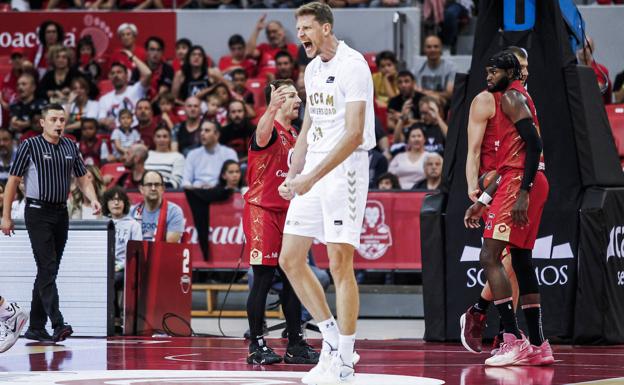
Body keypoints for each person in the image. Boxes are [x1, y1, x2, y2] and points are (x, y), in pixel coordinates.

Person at [277, 3, 373, 382]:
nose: (300, 34)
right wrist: (294, 171)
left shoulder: (354, 65)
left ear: (326, 29)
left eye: (306, 28)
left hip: (345, 170)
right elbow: (307, 128)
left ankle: (347, 359)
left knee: (338, 262)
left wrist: (311, 177)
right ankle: (330, 340)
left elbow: (353, 134)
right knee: (290, 258)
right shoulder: (312, 69)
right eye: (298, 28)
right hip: (314, 171)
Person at [463, 51, 553, 366]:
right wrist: (483, 201)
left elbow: (535, 146)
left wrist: (523, 192)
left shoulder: (512, 98)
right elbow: (509, 160)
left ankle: (512, 340)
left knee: (489, 256)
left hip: (520, 183)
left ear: (509, 71)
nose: (488, 77)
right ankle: (540, 345)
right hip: (518, 181)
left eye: (493, 72)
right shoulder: (511, 98)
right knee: (521, 261)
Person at [1, 103, 102, 343]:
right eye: (54, 119)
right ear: (42, 123)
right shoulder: (29, 145)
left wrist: (94, 199)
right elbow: (13, 181)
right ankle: (57, 323)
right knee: (47, 267)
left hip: (60, 213)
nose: (59, 124)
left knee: (49, 270)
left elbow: (83, 178)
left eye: (62, 120)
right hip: (37, 212)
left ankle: (36, 326)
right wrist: (6, 217)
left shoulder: (70, 146)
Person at [243, 79, 318, 365]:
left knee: (292, 277)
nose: (296, 100)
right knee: (262, 278)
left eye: (297, 95)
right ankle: (256, 345)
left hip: (288, 212)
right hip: (262, 211)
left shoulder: (294, 132)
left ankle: (295, 344)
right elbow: (262, 133)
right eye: (288, 96)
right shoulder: (268, 130)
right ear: (275, 102)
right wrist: (271, 107)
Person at [461, 46, 528, 355]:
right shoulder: (486, 100)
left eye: (526, 66)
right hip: (493, 183)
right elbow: (473, 149)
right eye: (519, 66)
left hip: (513, 181)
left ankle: (487, 316)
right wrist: (474, 188)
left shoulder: (521, 99)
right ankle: (497, 326)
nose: (524, 72)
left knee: (513, 261)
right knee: (504, 260)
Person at [184, 160, 242, 260]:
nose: (235, 175)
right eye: (231, 172)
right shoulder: (215, 193)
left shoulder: (247, 190)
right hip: (221, 236)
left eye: (237, 172)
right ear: (224, 175)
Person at [100, 186, 142, 319]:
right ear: (106, 204)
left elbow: (136, 251)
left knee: (111, 279)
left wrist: (119, 266)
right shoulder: (102, 223)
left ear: (125, 203)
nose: (116, 203)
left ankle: (115, 317)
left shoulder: (133, 225)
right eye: (112, 200)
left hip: (125, 268)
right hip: (105, 266)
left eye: (119, 200)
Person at [129, 170, 185, 242]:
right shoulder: (131, 212)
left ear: (163, 189)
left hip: (163, 252)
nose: (153, 188)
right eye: (149, 185)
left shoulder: (174, 211)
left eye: (157, 185)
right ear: (141, 189)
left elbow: (170, 245)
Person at [98, 58, 152, 131]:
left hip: (136, 131)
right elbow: (100, 119)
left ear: (127, 75)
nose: (116, 75)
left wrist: (132, 56)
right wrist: (105, 121)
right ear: (109, 77)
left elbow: (147, 73)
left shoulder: (136, 89)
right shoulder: (104, 99)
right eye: (112, 73)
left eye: (119, 72)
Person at [183, 120, 238, 188]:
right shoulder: (192, 154)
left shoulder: (229, 153)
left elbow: (233, 178)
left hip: (220, 192)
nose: (202, 133)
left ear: (217, 135)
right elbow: (185, 181)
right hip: (196, 192)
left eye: (207, 130)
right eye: (201, 130)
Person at [413, 35, 457, 104]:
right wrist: (434, 95)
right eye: (429, 47)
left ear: (441, 49)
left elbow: (450, 93)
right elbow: (414, 91)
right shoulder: (417, 69)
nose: (432, 50)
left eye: (436, 46)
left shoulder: (450, 68)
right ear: (424, 49)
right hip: (421, 105)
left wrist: (427, 93)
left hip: (443, 105)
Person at [132, 36, 174, 103]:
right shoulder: (138, 69)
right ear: (146, 51)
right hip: (139, 104)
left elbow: (163, 91)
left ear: (162, 52)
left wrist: (149, 105)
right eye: (152, 49)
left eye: (158, 50)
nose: (155, 53)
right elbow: (132, 90)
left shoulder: (168, 69)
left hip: (158, 105)